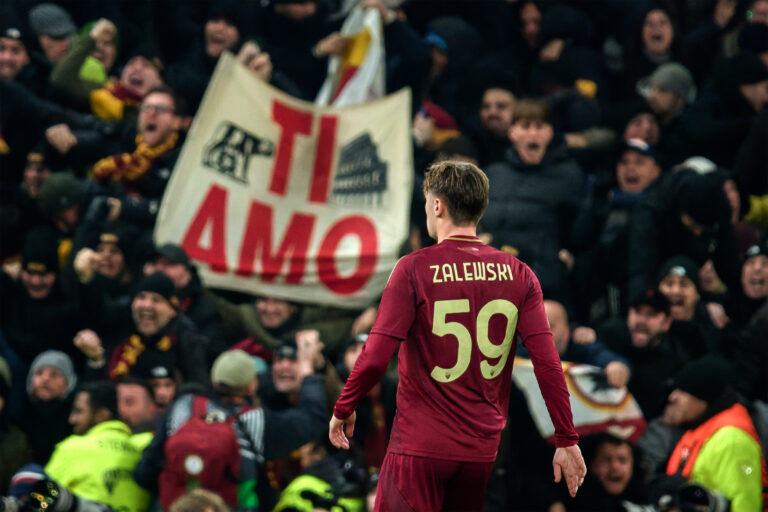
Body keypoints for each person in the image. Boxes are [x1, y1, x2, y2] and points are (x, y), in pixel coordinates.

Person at [329, 161, 586, 511]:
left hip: (420, 448)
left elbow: (375, 355)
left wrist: (346, 404)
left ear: (437, 205)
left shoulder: (414, 268)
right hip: (480, 453)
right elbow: (547, 363)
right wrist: (566, 437)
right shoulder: (520, 274)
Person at [44, 381, 150, 512]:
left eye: (79, 411)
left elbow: (44, 497)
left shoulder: (73, 447)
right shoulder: (144, 447)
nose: (71, 419)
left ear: (101, 415)